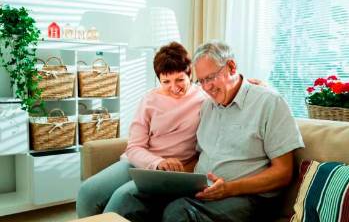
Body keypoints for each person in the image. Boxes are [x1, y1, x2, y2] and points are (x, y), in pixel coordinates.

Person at [116, 41, 305, 222]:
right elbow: (199, 158)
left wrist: (228, 189)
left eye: (211, 78)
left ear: (231, 67)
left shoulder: (269, 102)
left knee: (179, 213)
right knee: (130, 200)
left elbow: (283, 172)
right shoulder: (207, 106)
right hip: (203, 189)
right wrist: (170, 179)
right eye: (202, 80)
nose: (206, 87)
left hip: (248, 197)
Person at [76, 42, 206, 218]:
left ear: (190, 74)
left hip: (170, 173)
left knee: (121, 198)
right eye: (166, 81)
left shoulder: (204, 99)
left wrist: (252, 83)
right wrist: (158, 162)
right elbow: (134, 147)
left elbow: (228, 85)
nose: (174, 87)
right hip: (138, 163)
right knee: (87, 192)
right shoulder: (150, 99)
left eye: (180, 79)